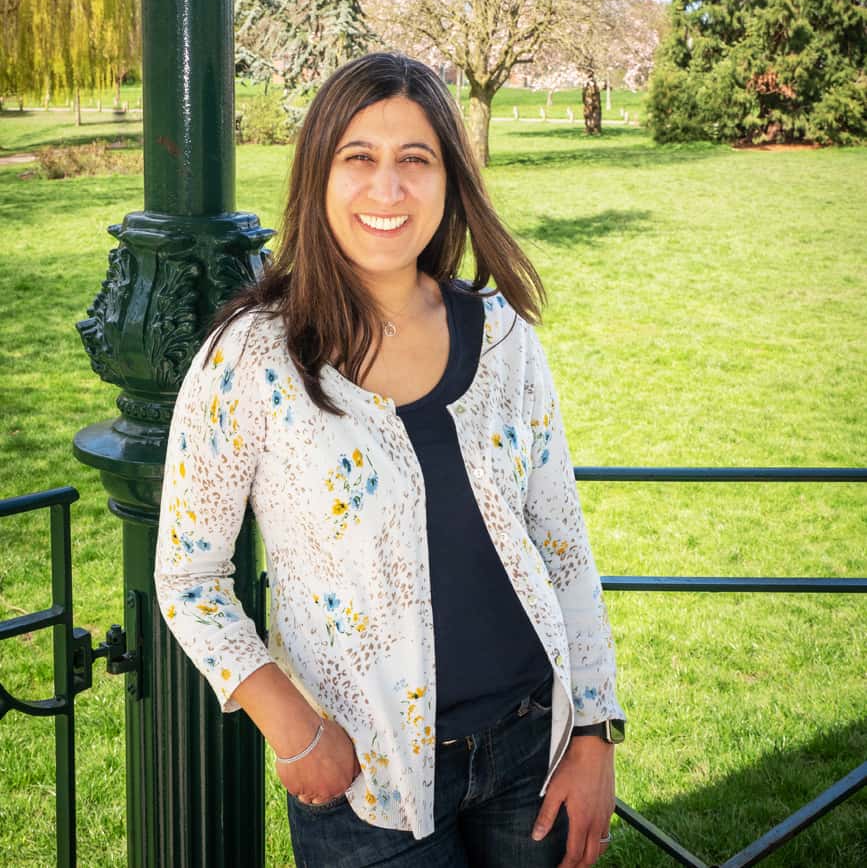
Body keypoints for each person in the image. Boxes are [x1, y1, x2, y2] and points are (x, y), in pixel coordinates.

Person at [154, 51, 625, 868]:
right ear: (318, 178)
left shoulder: (503, 333)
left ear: (449, 181)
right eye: (358, 159)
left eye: (415, 160)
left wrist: (591, 729)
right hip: (365, 778)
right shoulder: (249, 359)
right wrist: (292, 727)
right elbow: (189, 579)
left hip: (530, 752)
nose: (387, 189)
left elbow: (560, 543)